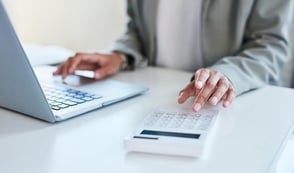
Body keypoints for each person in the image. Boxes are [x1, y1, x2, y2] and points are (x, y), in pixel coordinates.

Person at [54, 0, 292, 112]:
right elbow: (138, 29)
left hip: (229, 106)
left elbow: (271, 43)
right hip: (156, 99)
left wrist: (228, 75)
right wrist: (120, 55)